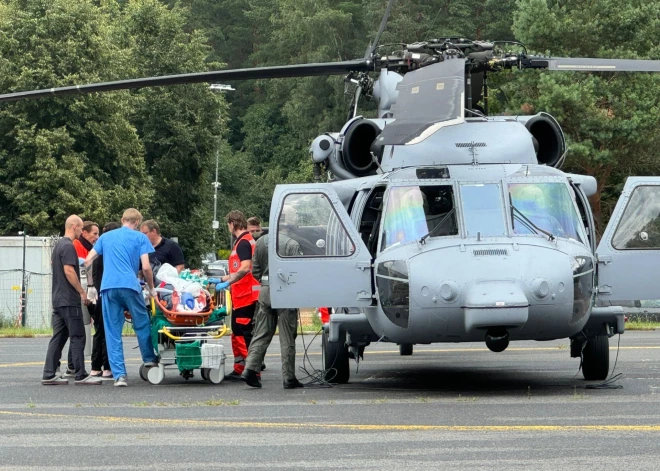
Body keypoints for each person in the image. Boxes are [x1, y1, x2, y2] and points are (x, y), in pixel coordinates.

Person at [85, 209, 159, 387]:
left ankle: (119, 375)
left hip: (108, 287)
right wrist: (152, 289)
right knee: (141, 323)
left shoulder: (106, 237)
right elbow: (147, 268)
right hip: (130, 286)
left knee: (112, 331)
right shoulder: (140, 238)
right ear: (137, 222)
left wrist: (90, 287)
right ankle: (149, 360)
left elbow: (88, 260)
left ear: (122, 219)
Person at [42, 215, 100, 385]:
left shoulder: (58, 245)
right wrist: (82, 292)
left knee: (58, 337)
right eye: (81, 228)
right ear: (74, 227)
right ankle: (80, 374)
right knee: (78, 336)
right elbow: (69, 271)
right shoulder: (68, 246)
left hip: (58, 299)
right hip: (69, 299)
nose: (82, 232)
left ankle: (49, 373)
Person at [242, 230, 304, 389]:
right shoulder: (292, 244)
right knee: (287, 336)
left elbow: (255, 270)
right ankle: (289, 377)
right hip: (286, 293)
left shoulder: (260, 242)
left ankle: (250, 368)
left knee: (261, 332)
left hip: (265, 291)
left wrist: (266, 282)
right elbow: (298, 272)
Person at [216, 210, 260, 380]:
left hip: (246, 296)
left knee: (244, 333)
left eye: (228, 224)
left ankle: (252, 370)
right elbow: (237, 269)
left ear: (232, 223)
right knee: (237, 332)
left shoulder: (243, 243)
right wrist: (220, 278)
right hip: (241, 295)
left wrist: (227, 282)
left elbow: (244, 268)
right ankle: (240, 367)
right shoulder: (243, 241)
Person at [87, 221, 121, 380]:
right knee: (110, 331)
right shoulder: (111, 253)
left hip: (99, 294)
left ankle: (95, 367)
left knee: (99, 331)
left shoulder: (98, 253)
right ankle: (107, 366)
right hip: (108, 294)